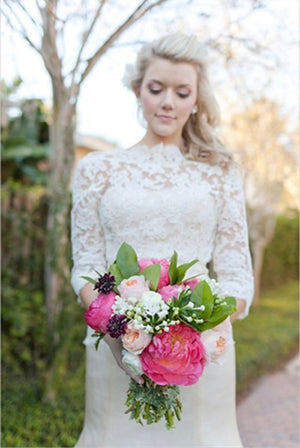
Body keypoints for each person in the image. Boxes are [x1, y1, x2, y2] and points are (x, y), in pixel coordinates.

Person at [71, 33, 254, 448]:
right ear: (138, 90)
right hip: (117, 347)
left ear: (195, 100)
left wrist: (194, 325)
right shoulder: (97, 169)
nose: (168, 102)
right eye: (156, 89)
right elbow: (85, 265)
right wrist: (121, 325)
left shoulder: (220, 172)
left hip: (202, 353)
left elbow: (237, 275)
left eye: (181, 91)